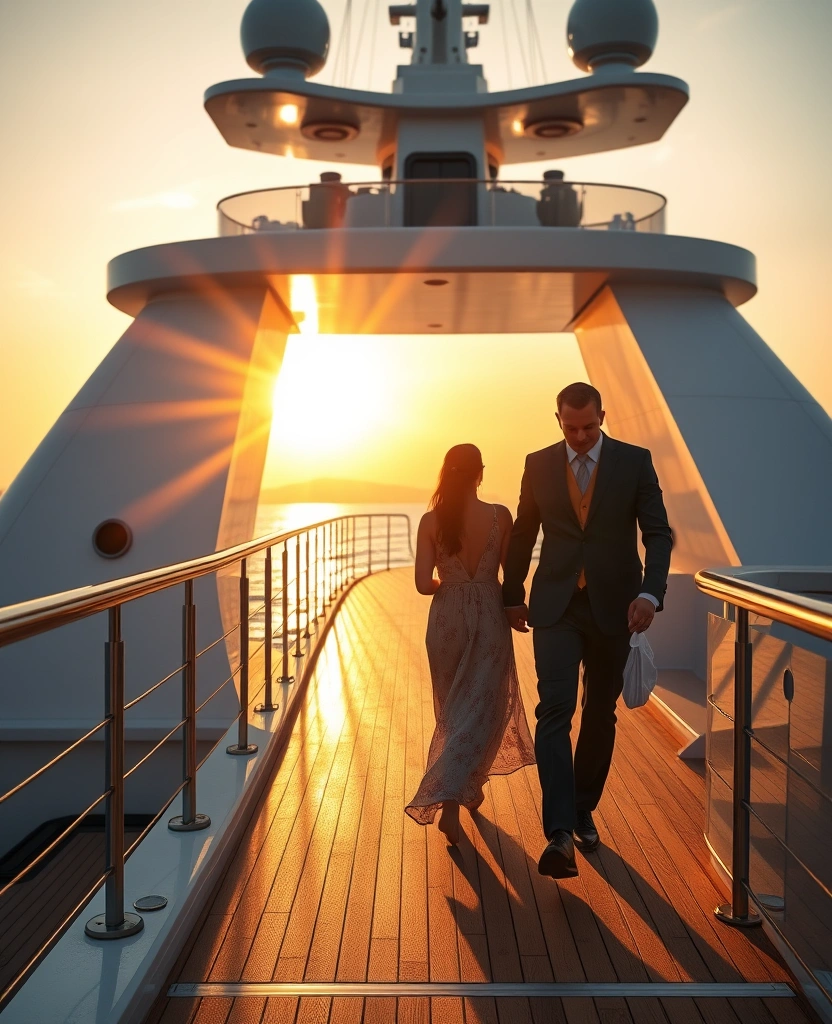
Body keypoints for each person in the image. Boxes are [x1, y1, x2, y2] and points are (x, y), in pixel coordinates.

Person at [502, 383, 671, 878]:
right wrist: (512, 593)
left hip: (616, 607)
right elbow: (523, 531)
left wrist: (650, 593)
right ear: (557, 419)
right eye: (570, 427)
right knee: (554, 709)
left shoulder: (634, 461)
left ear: (603, 415)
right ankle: (558, 833)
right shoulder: (537, 464)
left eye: (589, 427)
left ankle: (581, 809)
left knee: (600, 711)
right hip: (555, 605)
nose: (579, 436)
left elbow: (657, 533)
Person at [406, 443, 536, 845]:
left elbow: (423, 585)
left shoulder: (430, 521)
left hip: (447, 619)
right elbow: (510, 571)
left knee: (454, 711)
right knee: (486, 707)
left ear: (446, 473)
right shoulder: (500, 516)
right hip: (489, 614)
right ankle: (452, 800)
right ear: (481, 473)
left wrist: (451, 582)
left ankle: (464, 788)